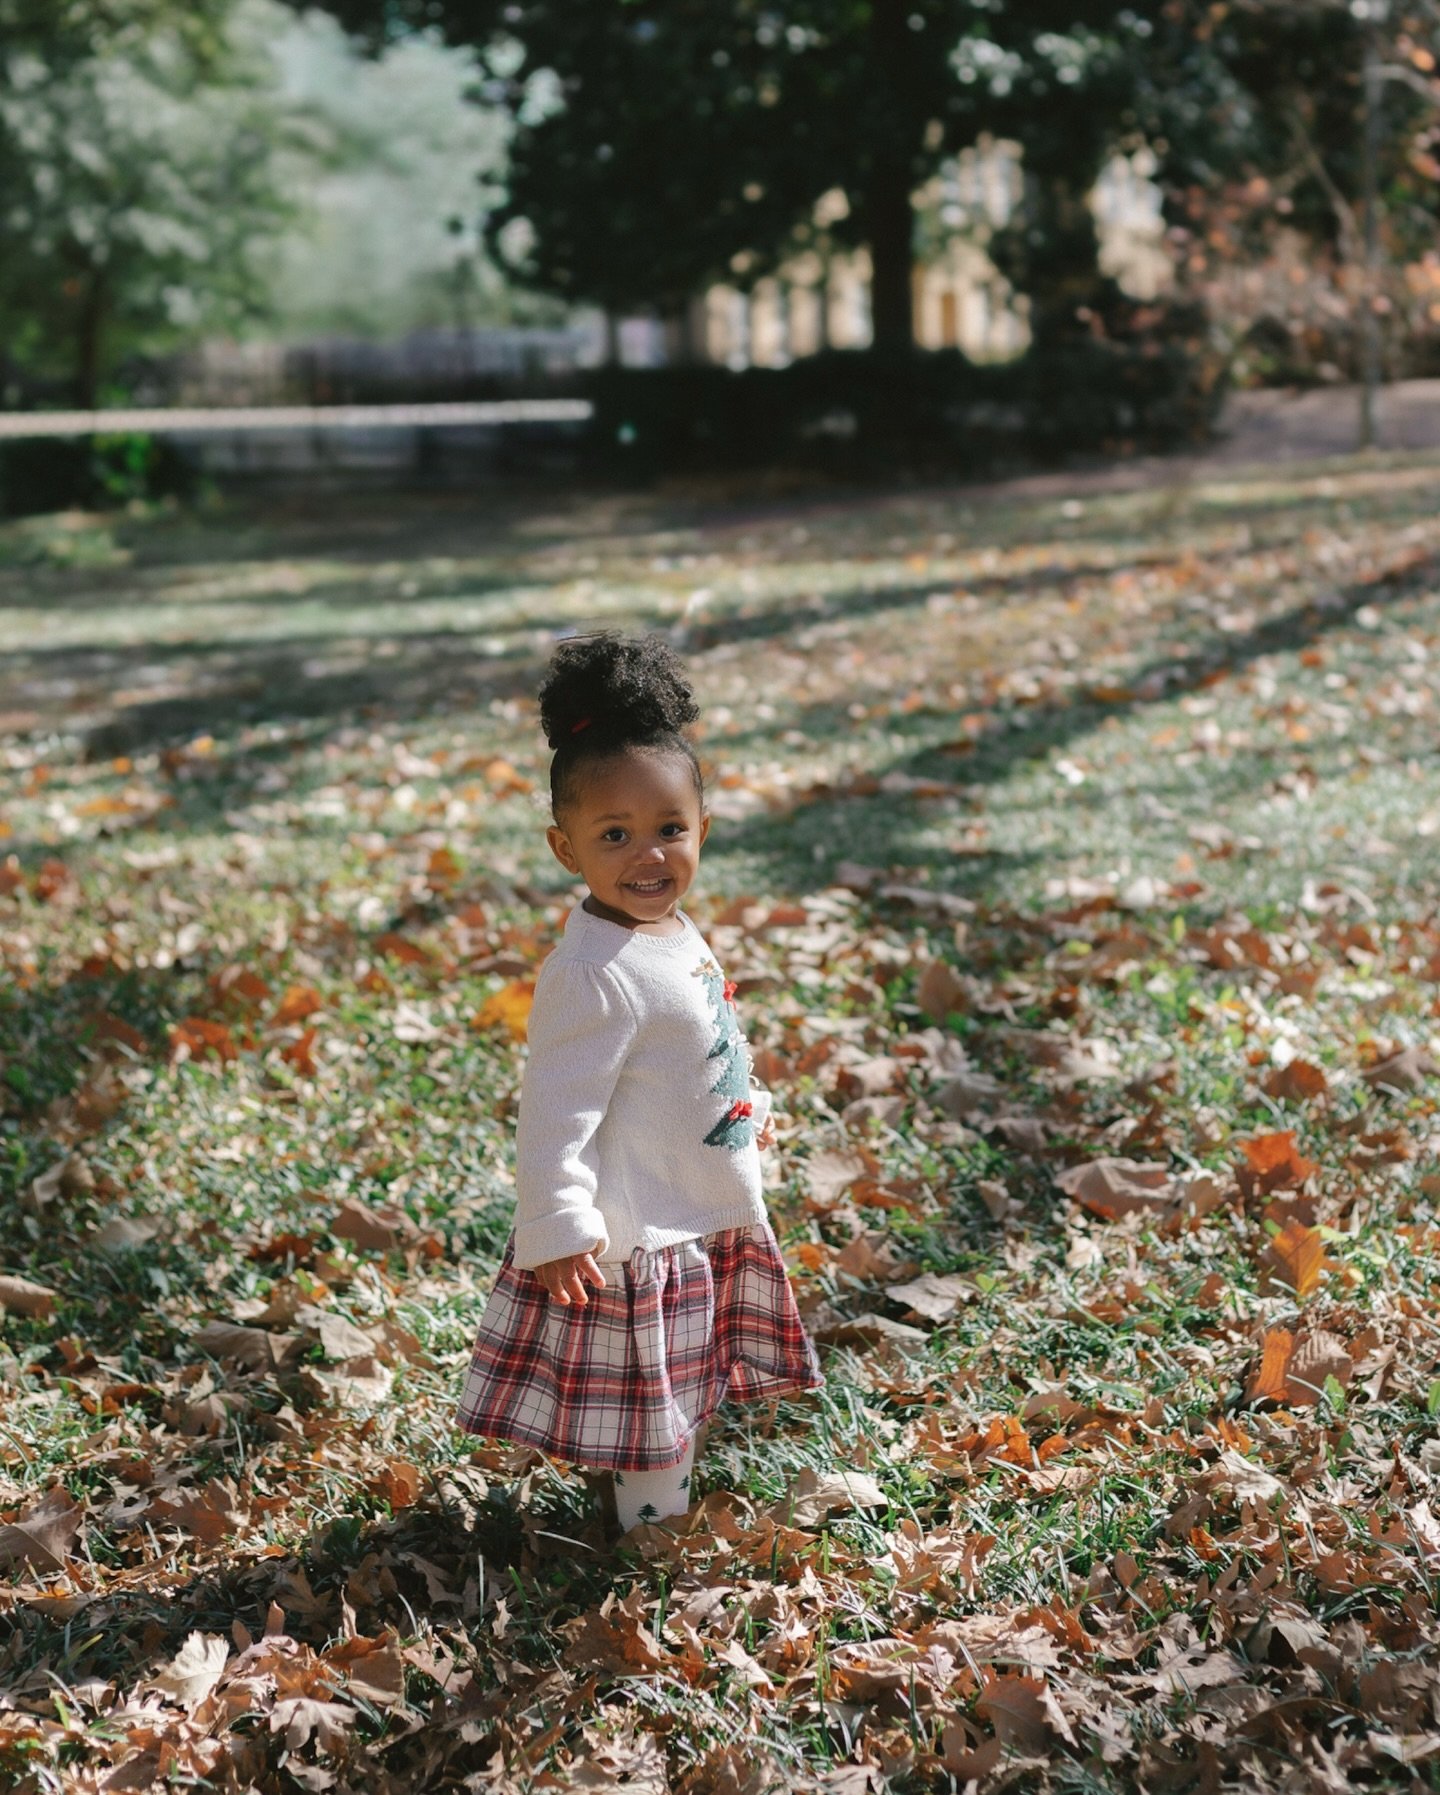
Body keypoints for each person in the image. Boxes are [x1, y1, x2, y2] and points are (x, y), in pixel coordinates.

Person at [455, 631, 822, 1534]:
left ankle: (643, 1511)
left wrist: (741, 1103)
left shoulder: (672, 930)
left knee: (680, 1391)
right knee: (650, 1411)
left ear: (704, 829)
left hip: (693, 1198)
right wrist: (557, 1222)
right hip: (637, 1228)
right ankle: (649, 1538)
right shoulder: (592, 970)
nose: (648, 856)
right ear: (564, 845)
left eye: (669, 830)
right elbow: (555, 1110)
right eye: (613, 835)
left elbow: (702, 1034)